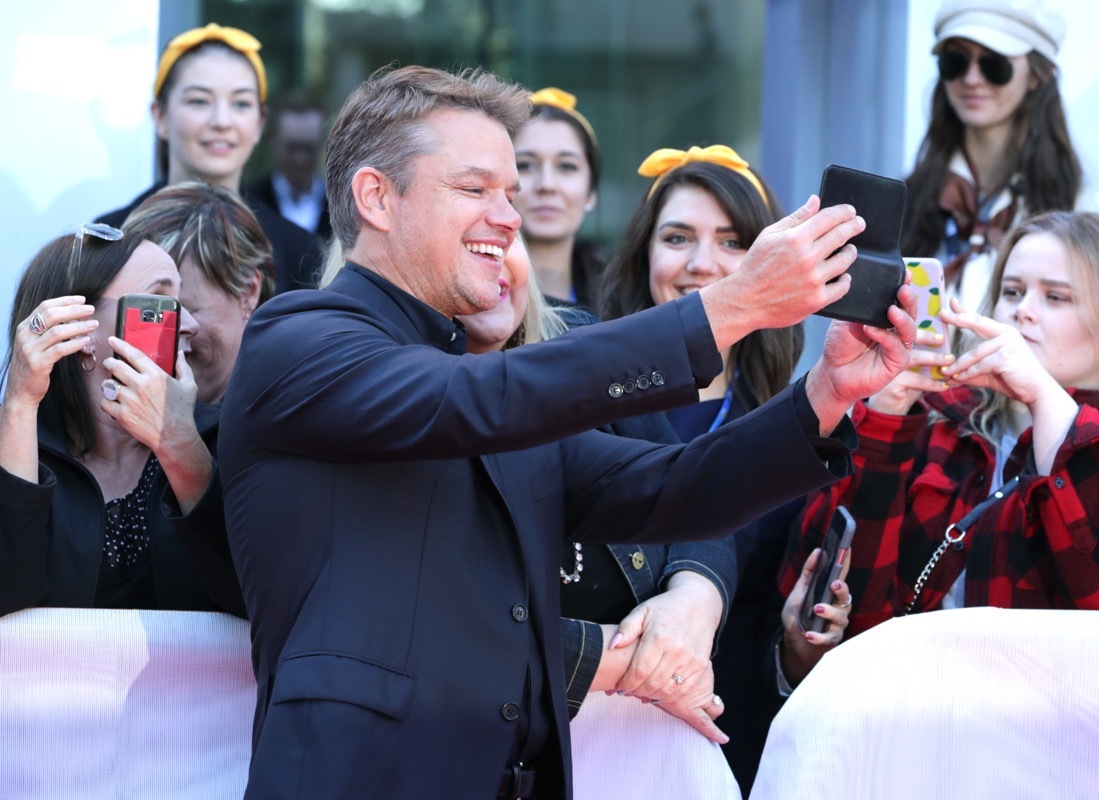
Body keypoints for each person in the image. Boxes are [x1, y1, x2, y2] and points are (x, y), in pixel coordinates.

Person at [218, 64, 916, 800]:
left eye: (511, 194)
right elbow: (475, 400)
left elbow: (672, 487)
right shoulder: (296, 340)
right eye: (475, 188)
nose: (511, 216)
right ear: (377, 197)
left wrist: (825, 393)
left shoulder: (487, 386)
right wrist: (732, 305)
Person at [784, 211, 1099, 639]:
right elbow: (818, 604)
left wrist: (1045, 399)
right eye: (1013, 291)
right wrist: (886, 420)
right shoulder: (934, 424)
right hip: (903, 701)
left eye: (1056, 297)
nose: (1023, 312)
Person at [594, 144, 826, 795]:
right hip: (587, 742)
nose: (703, 264)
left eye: (732, 241)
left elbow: (773, 647)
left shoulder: (800, 429)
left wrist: (799, 645)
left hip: (730, 754)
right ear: (643, 255)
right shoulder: (579, 404)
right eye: (678, 238)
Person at [460, 234, 740, 743]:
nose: (495, 256)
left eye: (507, 232)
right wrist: (640, 660)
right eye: (468, 238)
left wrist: (693, 602)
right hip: (491, 749)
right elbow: (446, 636)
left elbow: (684, 487)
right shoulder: (378, 401)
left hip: (647, 735)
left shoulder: (584, 343)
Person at [0, 224, 242, 616]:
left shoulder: (225, 437)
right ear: (76, 328)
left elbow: (252, 599)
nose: (190, 326)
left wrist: (179, 444)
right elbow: (9, 598)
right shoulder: (17, 440)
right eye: (160, 302)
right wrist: (19, 405)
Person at [95, 23, 323, 293]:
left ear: (260, 124)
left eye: (241, 104)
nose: (221, 121)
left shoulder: (298, 252)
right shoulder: (109, 239)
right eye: (199, 101)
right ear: (160, 116)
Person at [901, 0, 1085, 317]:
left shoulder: (1082, 210)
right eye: (954, 62)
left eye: (994, 63)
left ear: (1039, 75)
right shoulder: (907, 201)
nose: (971, 79)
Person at [123, 181, 275, 404]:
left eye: (184, 307)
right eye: (149, 310)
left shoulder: (281, 414)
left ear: (248, 292)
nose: (162, 332)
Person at [513, 87, 606, 308]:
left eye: (566, 166)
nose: (547, 185)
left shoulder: (624, 304)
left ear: (591, 191)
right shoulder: (471, 307)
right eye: (524, 165)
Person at [244, 91, 332, 239]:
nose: (300, 159)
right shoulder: (251, 201)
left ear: (323, 143)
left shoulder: (338, 204)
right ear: (273, 141)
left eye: (309, 148)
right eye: (291, 148)